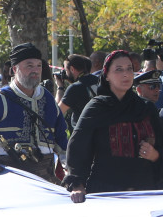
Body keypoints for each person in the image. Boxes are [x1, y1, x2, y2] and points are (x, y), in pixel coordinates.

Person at [0, 43, 67, 182]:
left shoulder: (47, 98)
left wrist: (69, 166)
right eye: (29, 65)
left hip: (46, 177)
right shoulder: (0, 99)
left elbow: (61, 135)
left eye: (38, 66)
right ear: (15, 69)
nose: (35, 70)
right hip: (9, 177)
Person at [63, 51, 162, 200]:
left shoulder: (146, 108)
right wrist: (77, 185)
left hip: (145, 193)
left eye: (129, 69)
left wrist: (155, 155)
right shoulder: (96, 108)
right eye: (119, 69)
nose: (126, 74)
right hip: (107, 193)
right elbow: (78, 148)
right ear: (106, 75)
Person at [59, 54, 100, 129]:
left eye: (65, 70)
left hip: (83, 134)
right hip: (102, 131)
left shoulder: (75, 88)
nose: (65, 74)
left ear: (72, 69)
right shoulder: (99, 80)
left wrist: (60, 87)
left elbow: (58, 113)